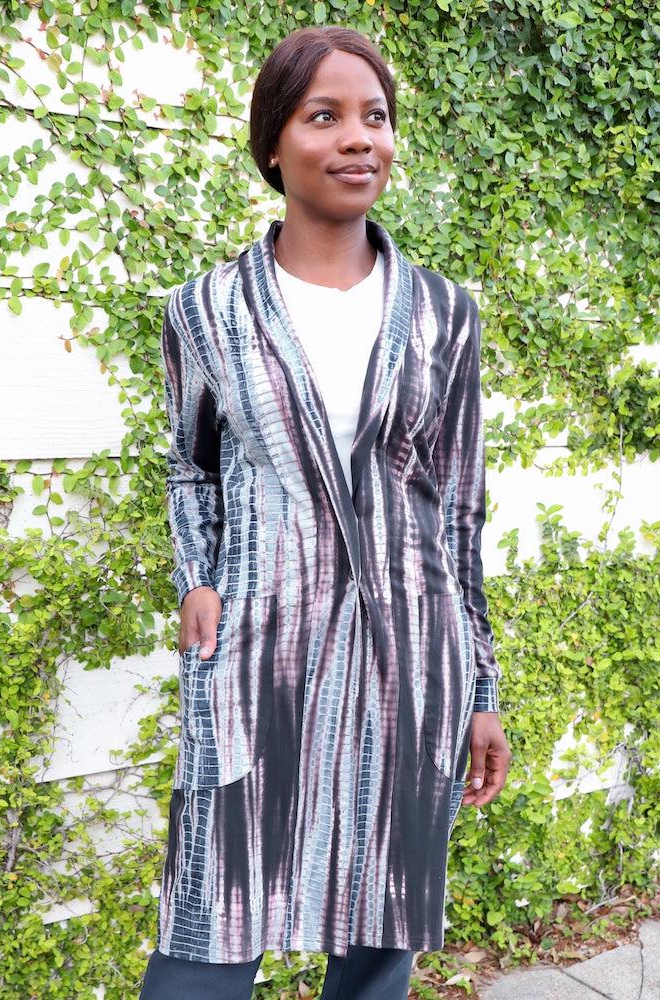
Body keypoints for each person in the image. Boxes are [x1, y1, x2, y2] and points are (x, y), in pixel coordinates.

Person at [139, 24, 512, 1000]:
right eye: (324, 116)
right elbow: (190, 466)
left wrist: (480, 688)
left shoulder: (443, 315)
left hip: (411, 656)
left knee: (381, 938)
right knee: (208, 929)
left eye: (374, 117)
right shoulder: (206, 311)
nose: (357, 138)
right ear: (273, 143)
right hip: (256, 646)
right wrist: (198, 575)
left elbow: (457, 513)